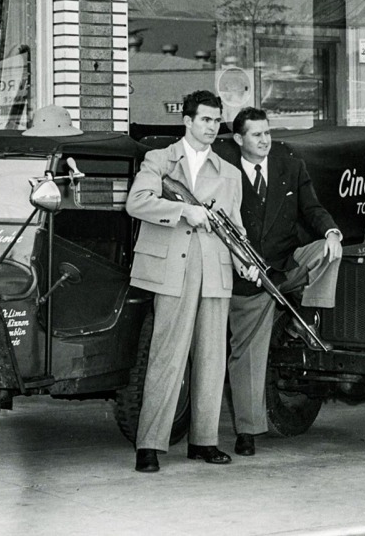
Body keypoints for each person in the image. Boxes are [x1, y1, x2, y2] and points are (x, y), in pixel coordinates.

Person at [125, 89, 255, 473]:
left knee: (212, 360)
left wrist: (245, 262)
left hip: (214, 269)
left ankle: (204, 441)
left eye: (216, 120)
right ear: (187, 120)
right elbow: (137, 202)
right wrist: (184, 211)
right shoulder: (160, 159)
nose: (212, 127)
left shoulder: (229, 172)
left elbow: (235, 229)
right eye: (205, 119)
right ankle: (149, 444)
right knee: (166, 357)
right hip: (173, 269)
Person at [226, 107, 342, 457]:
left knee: (328, 252)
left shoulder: (290, 167)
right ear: (239, 139)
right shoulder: (224, 172)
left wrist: (331, 232)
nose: (265, 140)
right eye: (257, 134)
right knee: (247, 357)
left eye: (267, 132)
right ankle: (247, 432)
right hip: (245, 277)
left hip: (286, 265)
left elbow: (312, 209)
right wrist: (239, 263)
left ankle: (303, 319)